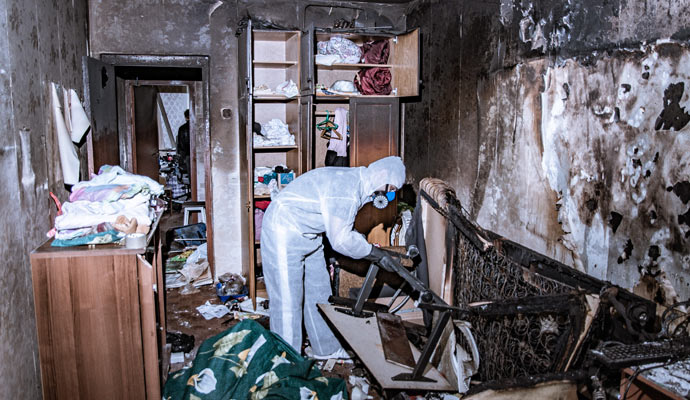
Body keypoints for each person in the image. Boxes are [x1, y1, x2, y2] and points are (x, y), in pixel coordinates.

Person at [261, 156, 405, 359]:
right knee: (287, 300)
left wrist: (369, 248)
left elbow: (340, 223)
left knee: (319, 292)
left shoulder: (360, 183)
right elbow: (341, 240)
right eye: (390, 189)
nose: (389, 195)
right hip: (283, 230)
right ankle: (286, 359)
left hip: (309, 234)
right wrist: (374, 253)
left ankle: (325, 348)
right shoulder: (347, 188)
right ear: (382, 174)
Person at [176, 109, 190, 176]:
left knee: (190, 174)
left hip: (187, 154)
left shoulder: (182, 128)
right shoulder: (198, 127)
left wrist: (181, 156)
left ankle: (192, 186)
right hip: (199, 154)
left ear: (186, 117)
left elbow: (180, 143)